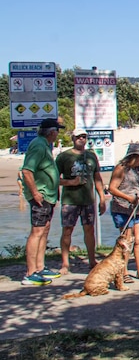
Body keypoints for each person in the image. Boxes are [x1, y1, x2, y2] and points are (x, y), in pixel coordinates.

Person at [56, 128, 106, 275]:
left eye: (84, 137)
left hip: (88, 200)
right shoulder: (64, 157)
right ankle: (65, 263)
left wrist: (102, 198)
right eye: (78, 137)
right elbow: (54, 179)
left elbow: (97, 177)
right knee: (67, 230)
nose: (81, 139)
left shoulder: (91, 156)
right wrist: (71, 182)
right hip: (70, 200)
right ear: (73, 138)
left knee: (89, 230)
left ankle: (92, 261)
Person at [20, 118, 64, 286]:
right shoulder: (39, 145)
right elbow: (27, 170)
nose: (58, 133)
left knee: (44, 230)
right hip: (42, 195)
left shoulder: (45, 145)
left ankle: (40, 267)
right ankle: (30, 273)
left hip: (49, 196)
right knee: (37, 231)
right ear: (52, 132)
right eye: (57, 130)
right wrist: (35, 193)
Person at [108, 142, 139, 282]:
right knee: (126, 240)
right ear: (133, 156)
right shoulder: (121, 169)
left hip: (137, 208)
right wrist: (128, 198)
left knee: (137, 239)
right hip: (122, 208)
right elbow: (112, 188)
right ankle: (124, 272)